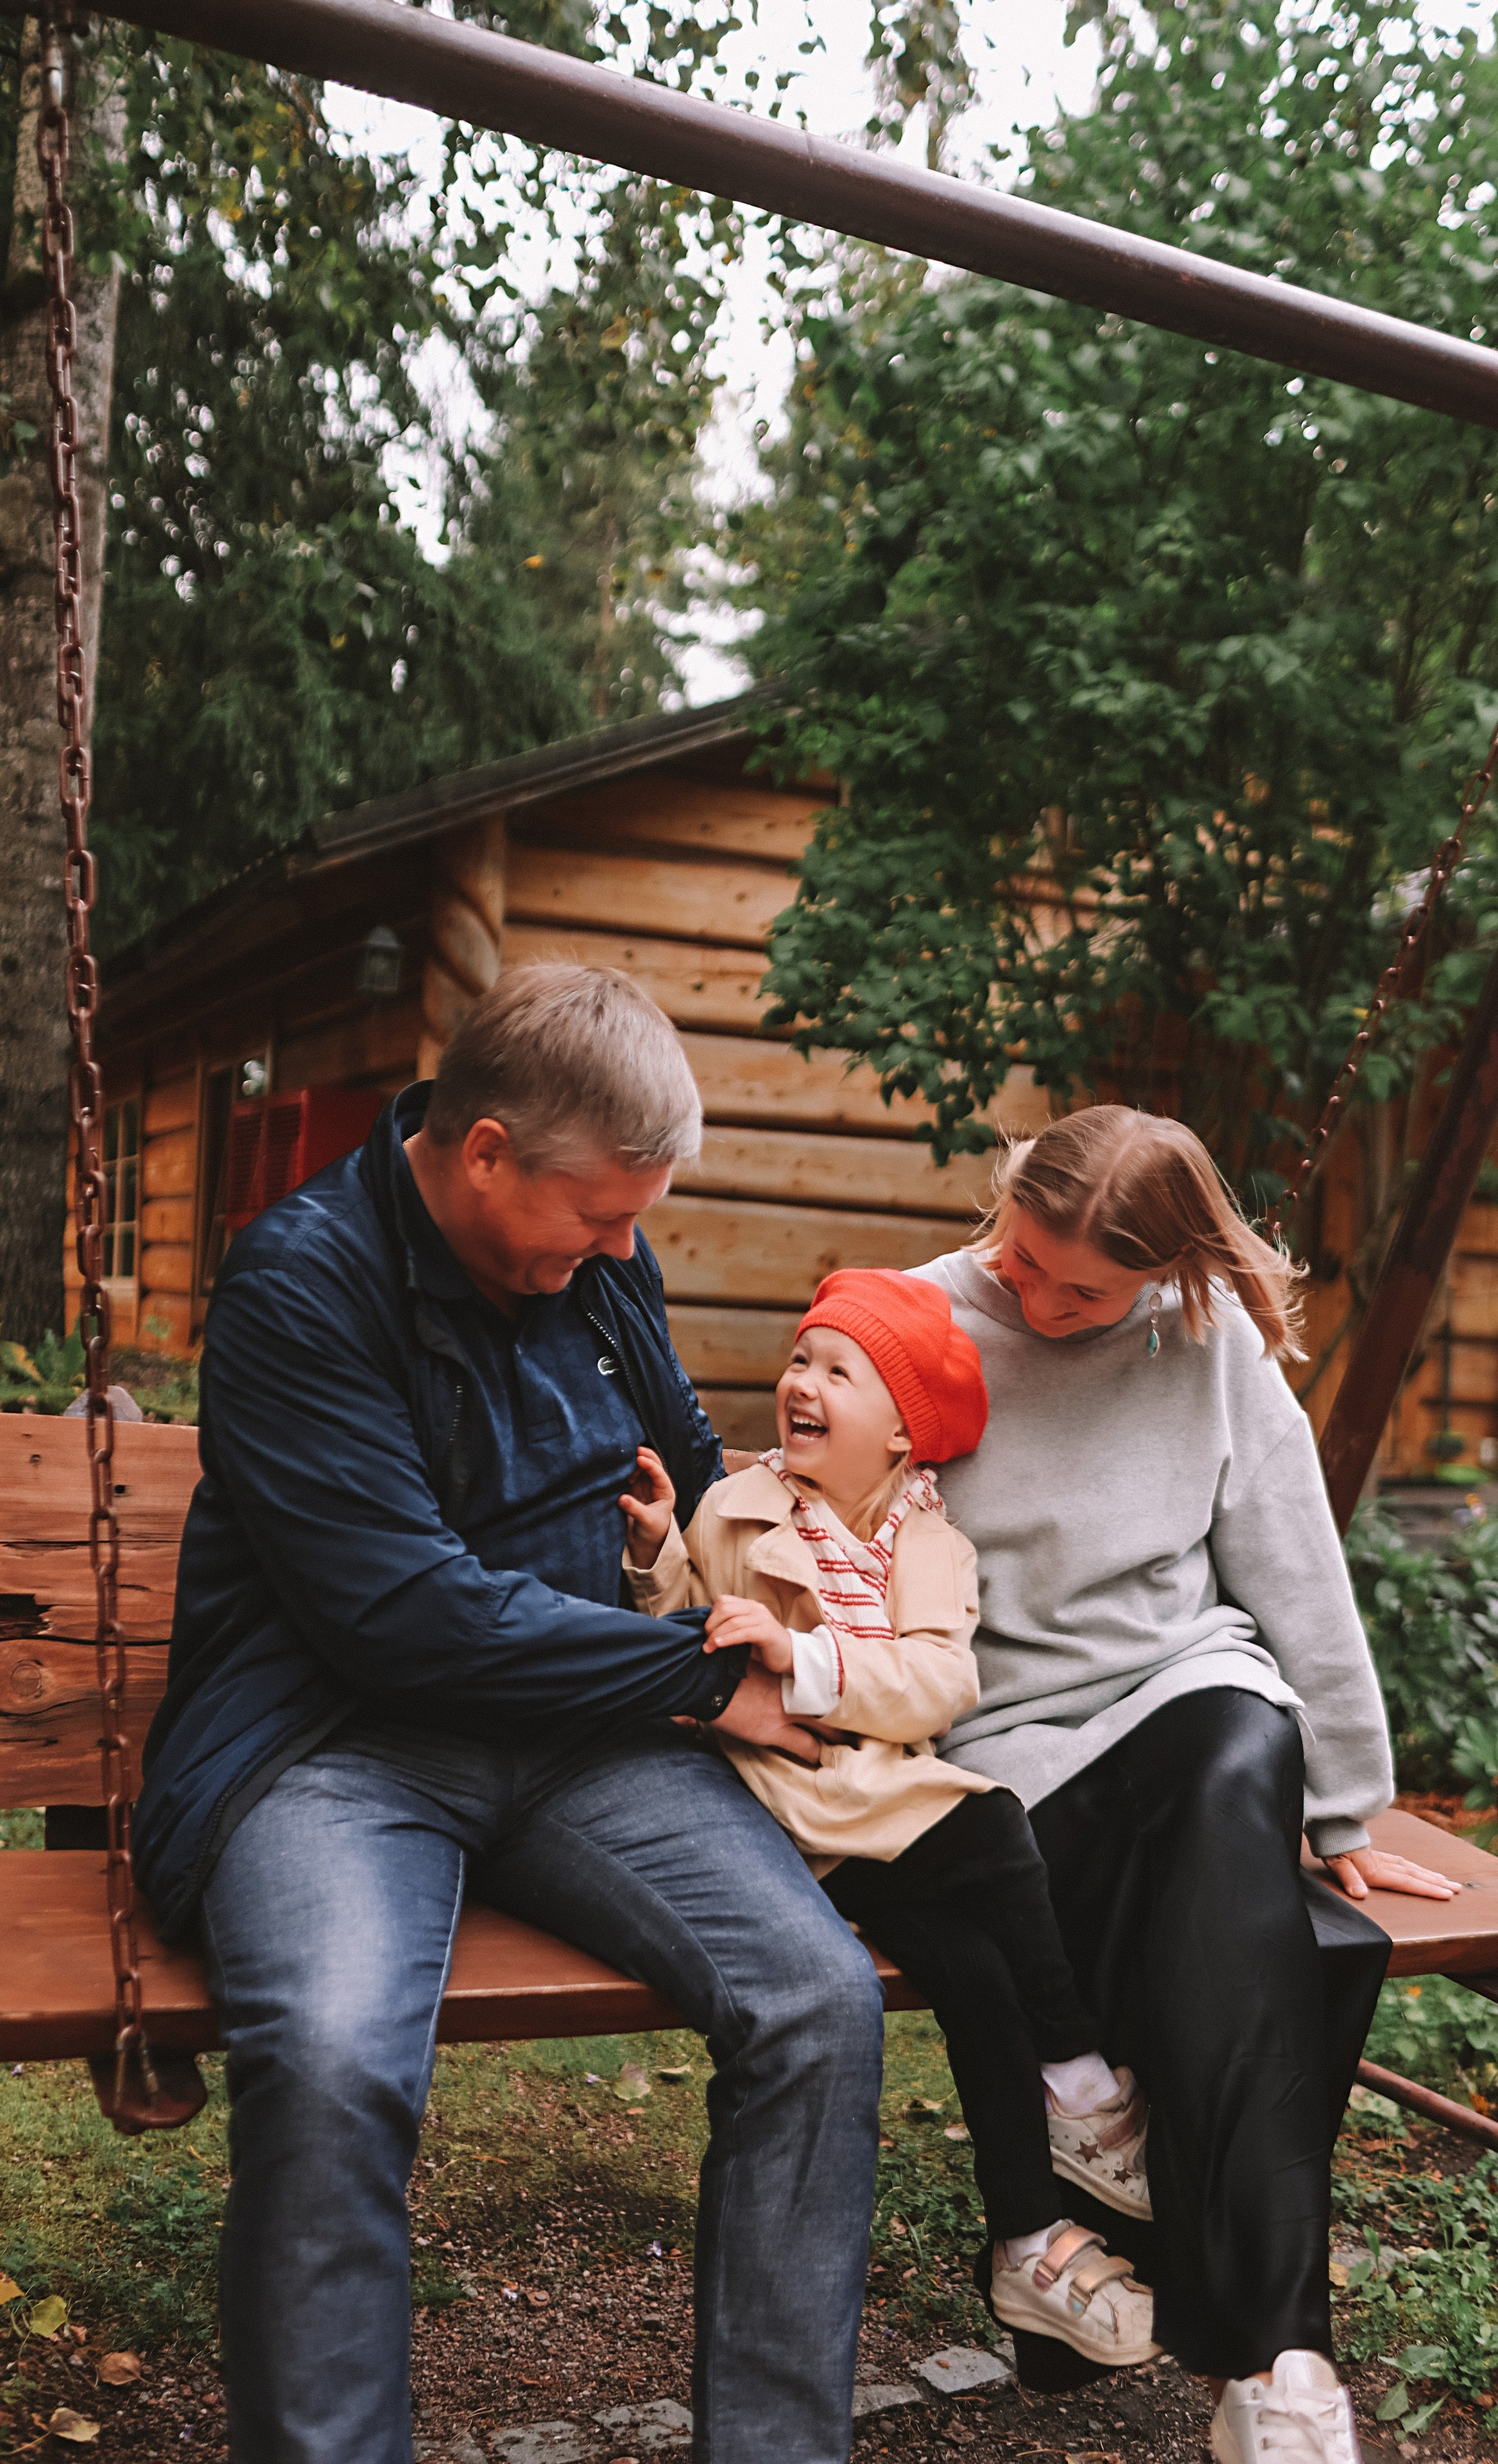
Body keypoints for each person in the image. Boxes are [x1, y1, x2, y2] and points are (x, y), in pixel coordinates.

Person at [133, 965, 886, 2464]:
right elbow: (404, 1620)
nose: (620, 1246)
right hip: (330, 1743)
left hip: (579, 1737)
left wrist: (807, 1598)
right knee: (334, 2058)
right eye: (598, 1215)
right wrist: (700, 1681)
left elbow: (687, 1452)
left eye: (633, 1220)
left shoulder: (598, 1265)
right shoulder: (302, 1283)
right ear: (484, 1151)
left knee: (818, 2001)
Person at [910, 1106, 1461, 2464]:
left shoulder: (1210, 1342)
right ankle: (1276, 2353)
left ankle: (1278, 2370)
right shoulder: (916, 1319)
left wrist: (1343, 1809)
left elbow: (1294, 1571)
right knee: (1278, 1947)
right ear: (1007, 1198)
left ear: (1165, 1273)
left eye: (1086, 1291)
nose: (1043, 1303)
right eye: (1026, 1261)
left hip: (1180, 1687)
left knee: (1236, 1756)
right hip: (1008, 1740)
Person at [622, 1268, 1155, 2369]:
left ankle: (1026, 2241)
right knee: (995, 1828)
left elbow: (936, 1687)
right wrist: (658, 1553)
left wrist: (804, 1657)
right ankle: (1079, 2078)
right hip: (780, 1806)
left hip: (872, 1819)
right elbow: (682, 1630)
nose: (803, 1383)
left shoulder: (931, 1546)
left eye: (840, 1372)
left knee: (976, 1973)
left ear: (903, 1433)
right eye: (800, 1360)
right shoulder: (738, 1507)